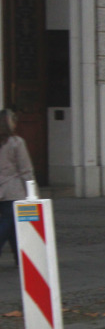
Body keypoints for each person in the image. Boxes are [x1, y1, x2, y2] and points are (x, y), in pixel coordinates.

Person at [0, 108, 35, 268]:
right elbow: (25, 169)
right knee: (9, 222)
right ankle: (21, 257)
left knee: (14, 225)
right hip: (13, 189)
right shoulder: (16, 142)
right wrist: (32, 192)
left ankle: (20, 258)